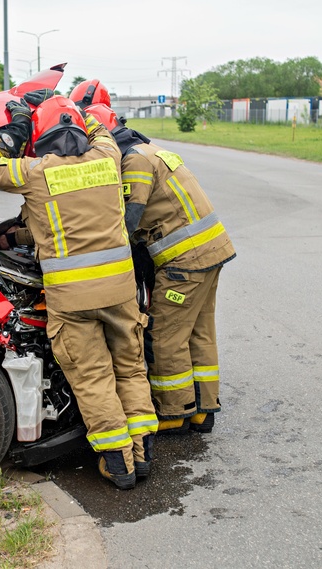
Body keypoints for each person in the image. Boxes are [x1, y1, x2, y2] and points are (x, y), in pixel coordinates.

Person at [0, 91, 158, 489]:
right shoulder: (107, 157)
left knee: (93, 377)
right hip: (121, 292)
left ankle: (117, 464)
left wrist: (16, 126)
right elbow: (98, 127)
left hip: (73, 300)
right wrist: (67, 103)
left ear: (41, 138)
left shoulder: (34, 171)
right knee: (130, 366)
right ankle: (141, 453)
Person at [84, 100, 236, 435]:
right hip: (209, 252)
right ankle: (202, 410)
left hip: (185, 261)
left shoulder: (133, 160)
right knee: (198, 332)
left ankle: (174, 413)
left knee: (165, 336)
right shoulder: (149, 148)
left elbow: (129, 216)